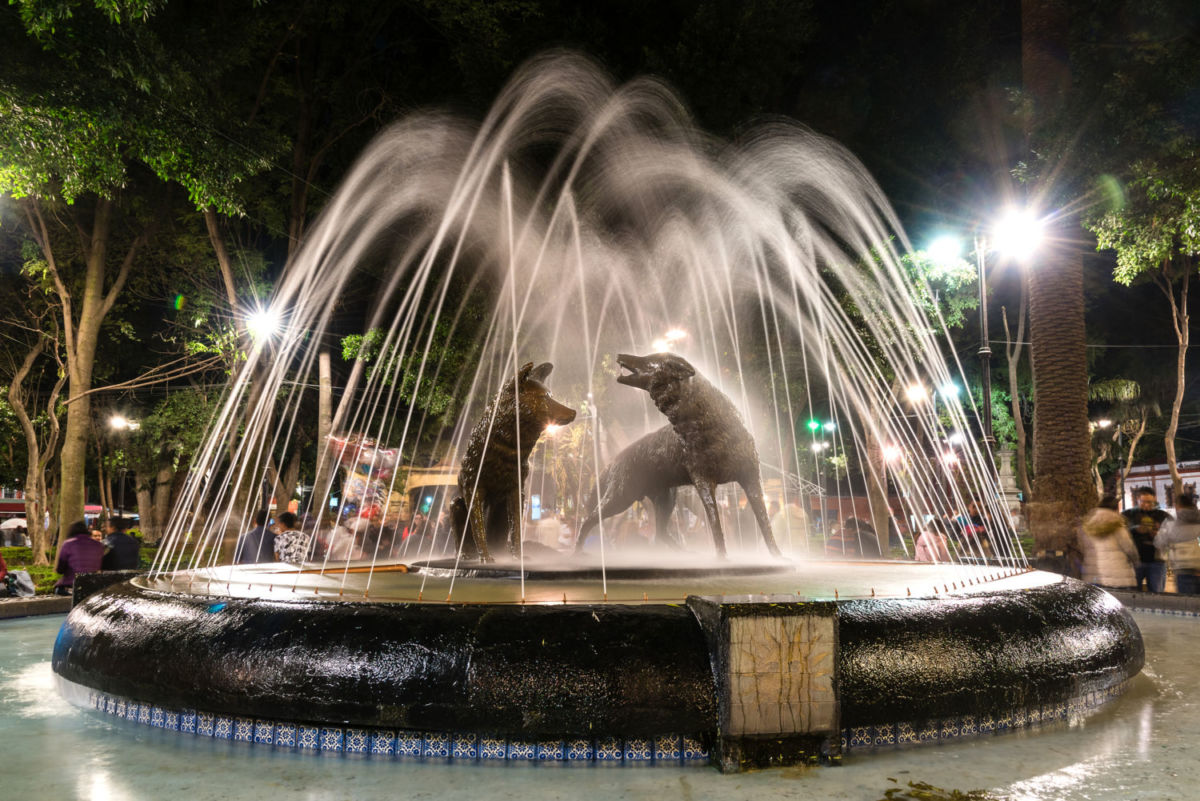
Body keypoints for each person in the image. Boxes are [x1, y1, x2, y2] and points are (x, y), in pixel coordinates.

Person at [1079, 495, 1138, 589]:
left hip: (1093, 576)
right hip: (1118, 576)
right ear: (1115, 509)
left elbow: (1082, 548)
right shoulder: (1117, 526)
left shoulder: (1086, 526)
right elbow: (1129, 548)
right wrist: (1136, 561)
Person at [1122, 487, 1171, 592]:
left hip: (1157, 561)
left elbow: (1173, 535)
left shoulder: (1163, 515)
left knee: (1156, 594)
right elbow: (1120, 534)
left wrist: (1159, 535)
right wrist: (1134, 530)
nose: (1147, 505)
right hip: (1135, 561)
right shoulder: (1128, 515)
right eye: (1143, 502)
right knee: (1133, 594)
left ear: (1154, 499)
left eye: (1149, 502)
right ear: (1137, 499)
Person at [1155, 492, 1200, 594]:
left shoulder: (1171, 522)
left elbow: (1159, 542)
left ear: (1177, 505)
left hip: (1183, 568)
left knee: (1188, 606)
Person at [54, 520, 105, 595]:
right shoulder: (98, 545)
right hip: (92, 584)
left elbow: (60, 569)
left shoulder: (68, 544)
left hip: (72, 584)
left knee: (58, 589)